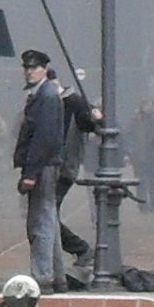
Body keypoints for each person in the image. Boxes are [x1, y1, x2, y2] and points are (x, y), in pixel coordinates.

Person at [13, 49, 66, 293]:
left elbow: (43, 138)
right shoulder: (45, 94)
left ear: (44, 69)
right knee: (49, 219)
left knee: (40, 222)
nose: (29, 72)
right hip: (45, 164)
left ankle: (42, 276)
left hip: (42, 166)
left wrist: (30, 174)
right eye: (27, 68)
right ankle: (57, 276)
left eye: (34, 68)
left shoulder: (46, 96)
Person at [48, 69, 102, 267]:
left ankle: (80, 249)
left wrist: (96, 118)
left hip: (64, 168)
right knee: (46, 214)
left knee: (47, 214)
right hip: (48, 167)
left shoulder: (75, 102)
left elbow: (91, 123)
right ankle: (69, 253)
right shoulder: (42, 102)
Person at [123, 97, 154, 214]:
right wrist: (130, 151)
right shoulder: (134, 119)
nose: (147, 107)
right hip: (140, 155)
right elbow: (126, 134)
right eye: (145, 105)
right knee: (140, 181)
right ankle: (142, 203)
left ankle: (153, 202)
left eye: (150, 105)